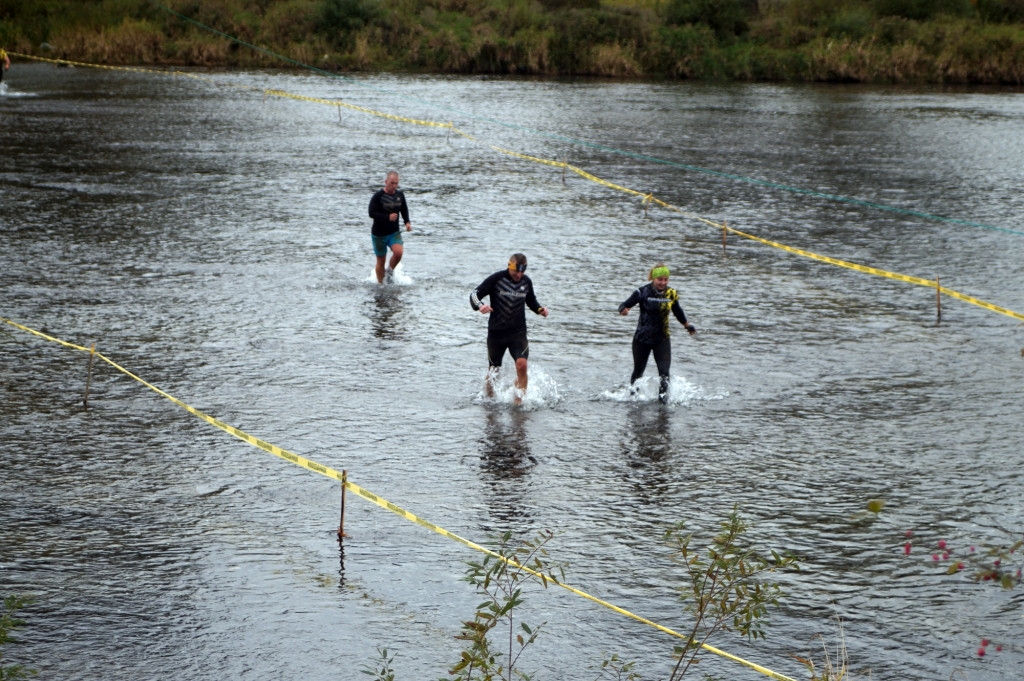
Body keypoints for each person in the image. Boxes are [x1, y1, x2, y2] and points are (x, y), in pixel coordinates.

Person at [470, 253, 549, 405]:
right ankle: (489, 401)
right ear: (509, 266)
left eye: (522, 272)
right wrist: (480, 306)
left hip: (517, 333)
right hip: (496, 333)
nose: (519, 275)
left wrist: (540, 310)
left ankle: (519, 402)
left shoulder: (526, 282)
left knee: (522, 365)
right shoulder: (497, 279)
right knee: (494, 370)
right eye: (516, 271)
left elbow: (531, 301)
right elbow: (474, 294)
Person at [618, 263, 696, 403]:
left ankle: (663, 404)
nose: (663, 283)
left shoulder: (671, 293)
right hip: (642, 338)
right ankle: (632, 399)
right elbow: (624, 304)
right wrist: (624, 310)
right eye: (660, 279)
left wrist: (687, 325)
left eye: (666, 280)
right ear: (653, 279)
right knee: (638, 371)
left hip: (662, 339)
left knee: (664, 374)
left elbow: (677, 311)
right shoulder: (642, 292)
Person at [367, 170, 412, 283]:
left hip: (393, 232)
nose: (394, 186)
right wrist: (387, 217)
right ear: (386, 182)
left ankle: (390, 271)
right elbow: (371, 213)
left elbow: (404, 209)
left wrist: (407, 222)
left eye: (396, 183)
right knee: (381, 261)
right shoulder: (378, 196)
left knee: (398, 252)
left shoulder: (399, 195)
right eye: (392, 183)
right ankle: (380, 284)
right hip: (379, 234)